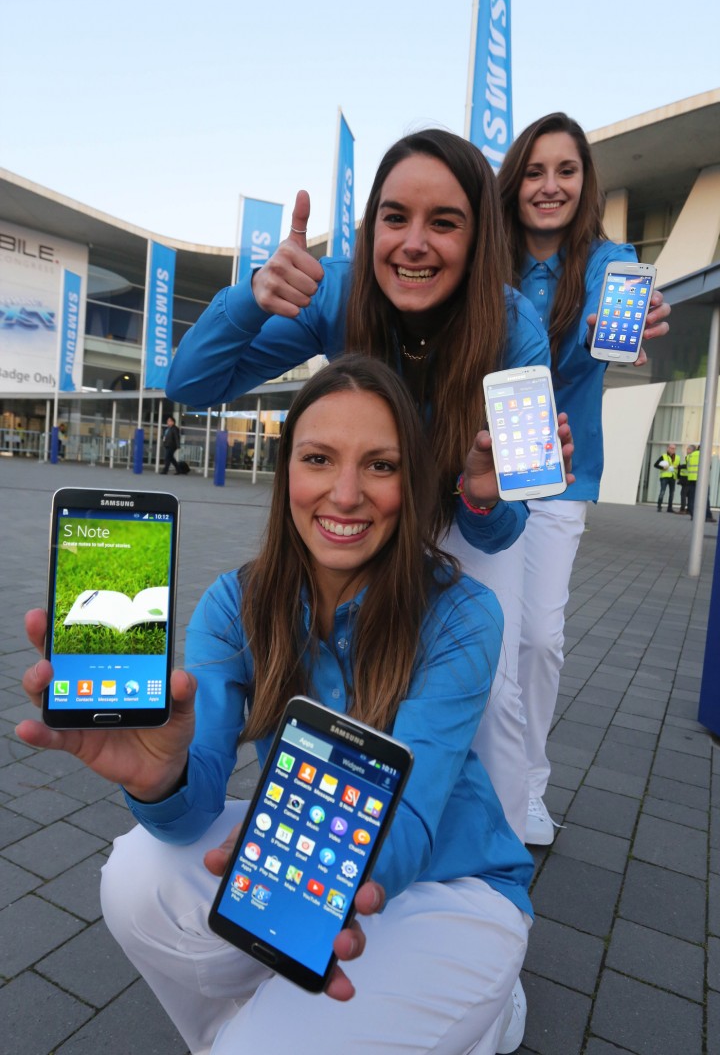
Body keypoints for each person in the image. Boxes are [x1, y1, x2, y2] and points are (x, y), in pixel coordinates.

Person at [18, 355, 533, 1055]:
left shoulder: (463, 613)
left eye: (380, 466)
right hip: (308, 845)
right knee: (138, 876)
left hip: (453, 883)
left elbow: (411, 817)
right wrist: (160, 779)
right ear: (286, 469)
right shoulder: (237, 603)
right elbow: (195, 803)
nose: (345, 495)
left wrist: (310, 876)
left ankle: (488, 1007)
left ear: (410, 483)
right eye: (318, 459)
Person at [166, 128, 574, 846]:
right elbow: (190, 383)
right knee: (349, 667)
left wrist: (482, 495)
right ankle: (348, 831)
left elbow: (500, 531)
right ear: (371, 226)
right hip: (362, 503)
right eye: (395, 218)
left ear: (479, 236)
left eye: (443, 222)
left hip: (453, 513)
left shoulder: (513, 329)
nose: (414, 243)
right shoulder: (339, 289)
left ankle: (493, 862)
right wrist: (253, 298)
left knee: (493, 689)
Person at [497, 112, 671, 844]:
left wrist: (613, 330)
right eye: (535, 171)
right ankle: (475, 781)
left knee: (538, 637)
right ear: (515, 182)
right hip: (478, 464)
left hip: (558, 474)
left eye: (565, 171)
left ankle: (529, 785)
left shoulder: (611, 260)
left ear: (584, 182)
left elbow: (608, 322)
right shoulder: (488, 258)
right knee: (481, 635)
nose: (550, 186)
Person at [686, 444, 716, 522]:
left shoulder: (690, 455)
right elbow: (709, 467)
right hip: (702, 480)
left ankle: (693, 515)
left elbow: (687, 467)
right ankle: (707, 516)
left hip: (691, 479)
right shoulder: (705, 455)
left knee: (692, 498)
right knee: (705, 498)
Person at [653, 443, 680, 513]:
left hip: (673, 477)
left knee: (672, 493)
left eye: (674, 448)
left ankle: (670, 508)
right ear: (668, 448)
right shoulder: (663, 456)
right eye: (671, 448)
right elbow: (655, 465)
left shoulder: (677, 457)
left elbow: (679, 467)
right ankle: (659, 506)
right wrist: (663, 467)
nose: (673, 449)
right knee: (662, 491)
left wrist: (679, 477)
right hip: (664, 477)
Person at [678, 445, 693, 513]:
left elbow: (687, 466)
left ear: (691, 450)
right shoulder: (689, 457)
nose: (687, 451)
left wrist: (679, 466)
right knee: (688, 494)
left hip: (686, 478)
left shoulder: (690, 457)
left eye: (688, 449)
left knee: (683, 494)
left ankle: (682, 509)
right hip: (687, 478)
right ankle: (689, 509)